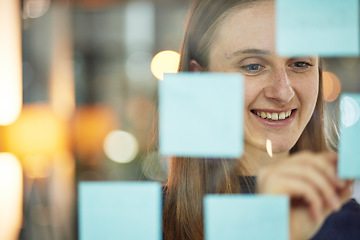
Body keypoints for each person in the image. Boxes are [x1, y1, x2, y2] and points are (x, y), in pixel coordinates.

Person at [161, 0, 360, 239]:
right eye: (253, 66)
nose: (283, 92)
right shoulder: (144, 224)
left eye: (300, 64)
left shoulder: (349, 226)